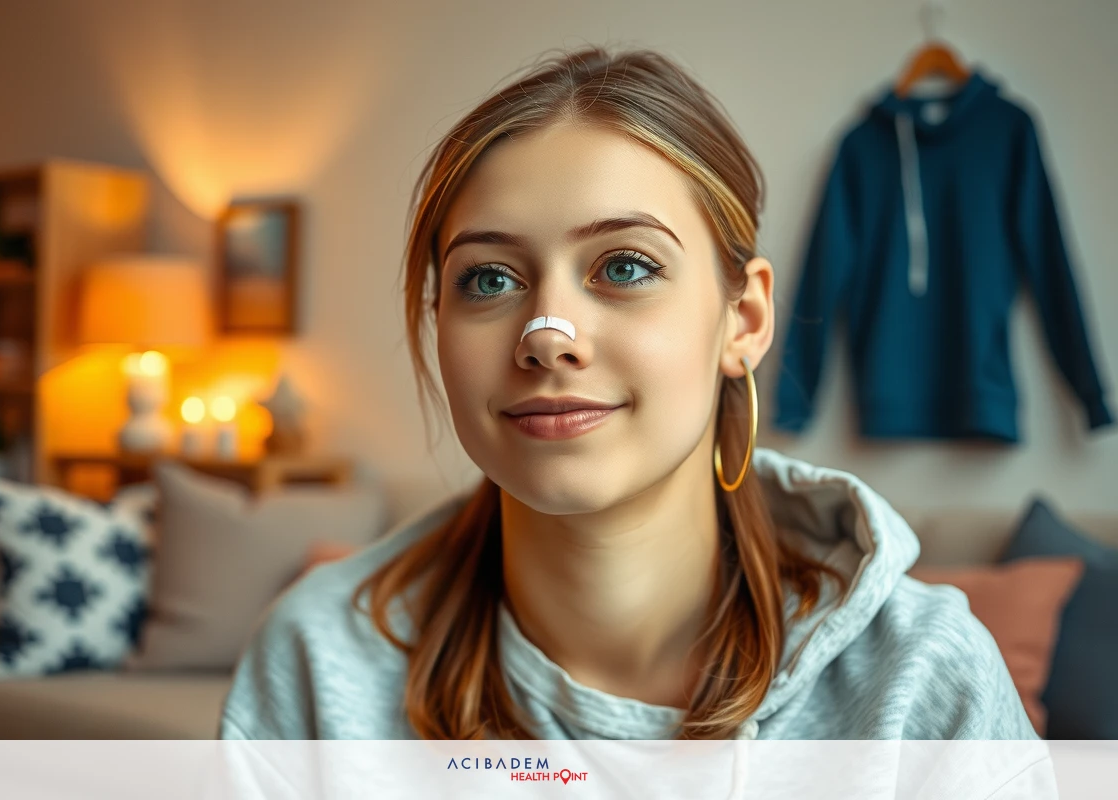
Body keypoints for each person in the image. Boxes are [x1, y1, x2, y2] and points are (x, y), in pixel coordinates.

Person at [219, 45, 1038, 742]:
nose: (547, 333)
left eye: (625, 266)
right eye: (490, 277)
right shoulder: (312, 665)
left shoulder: (926, 681)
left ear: (743, 319)